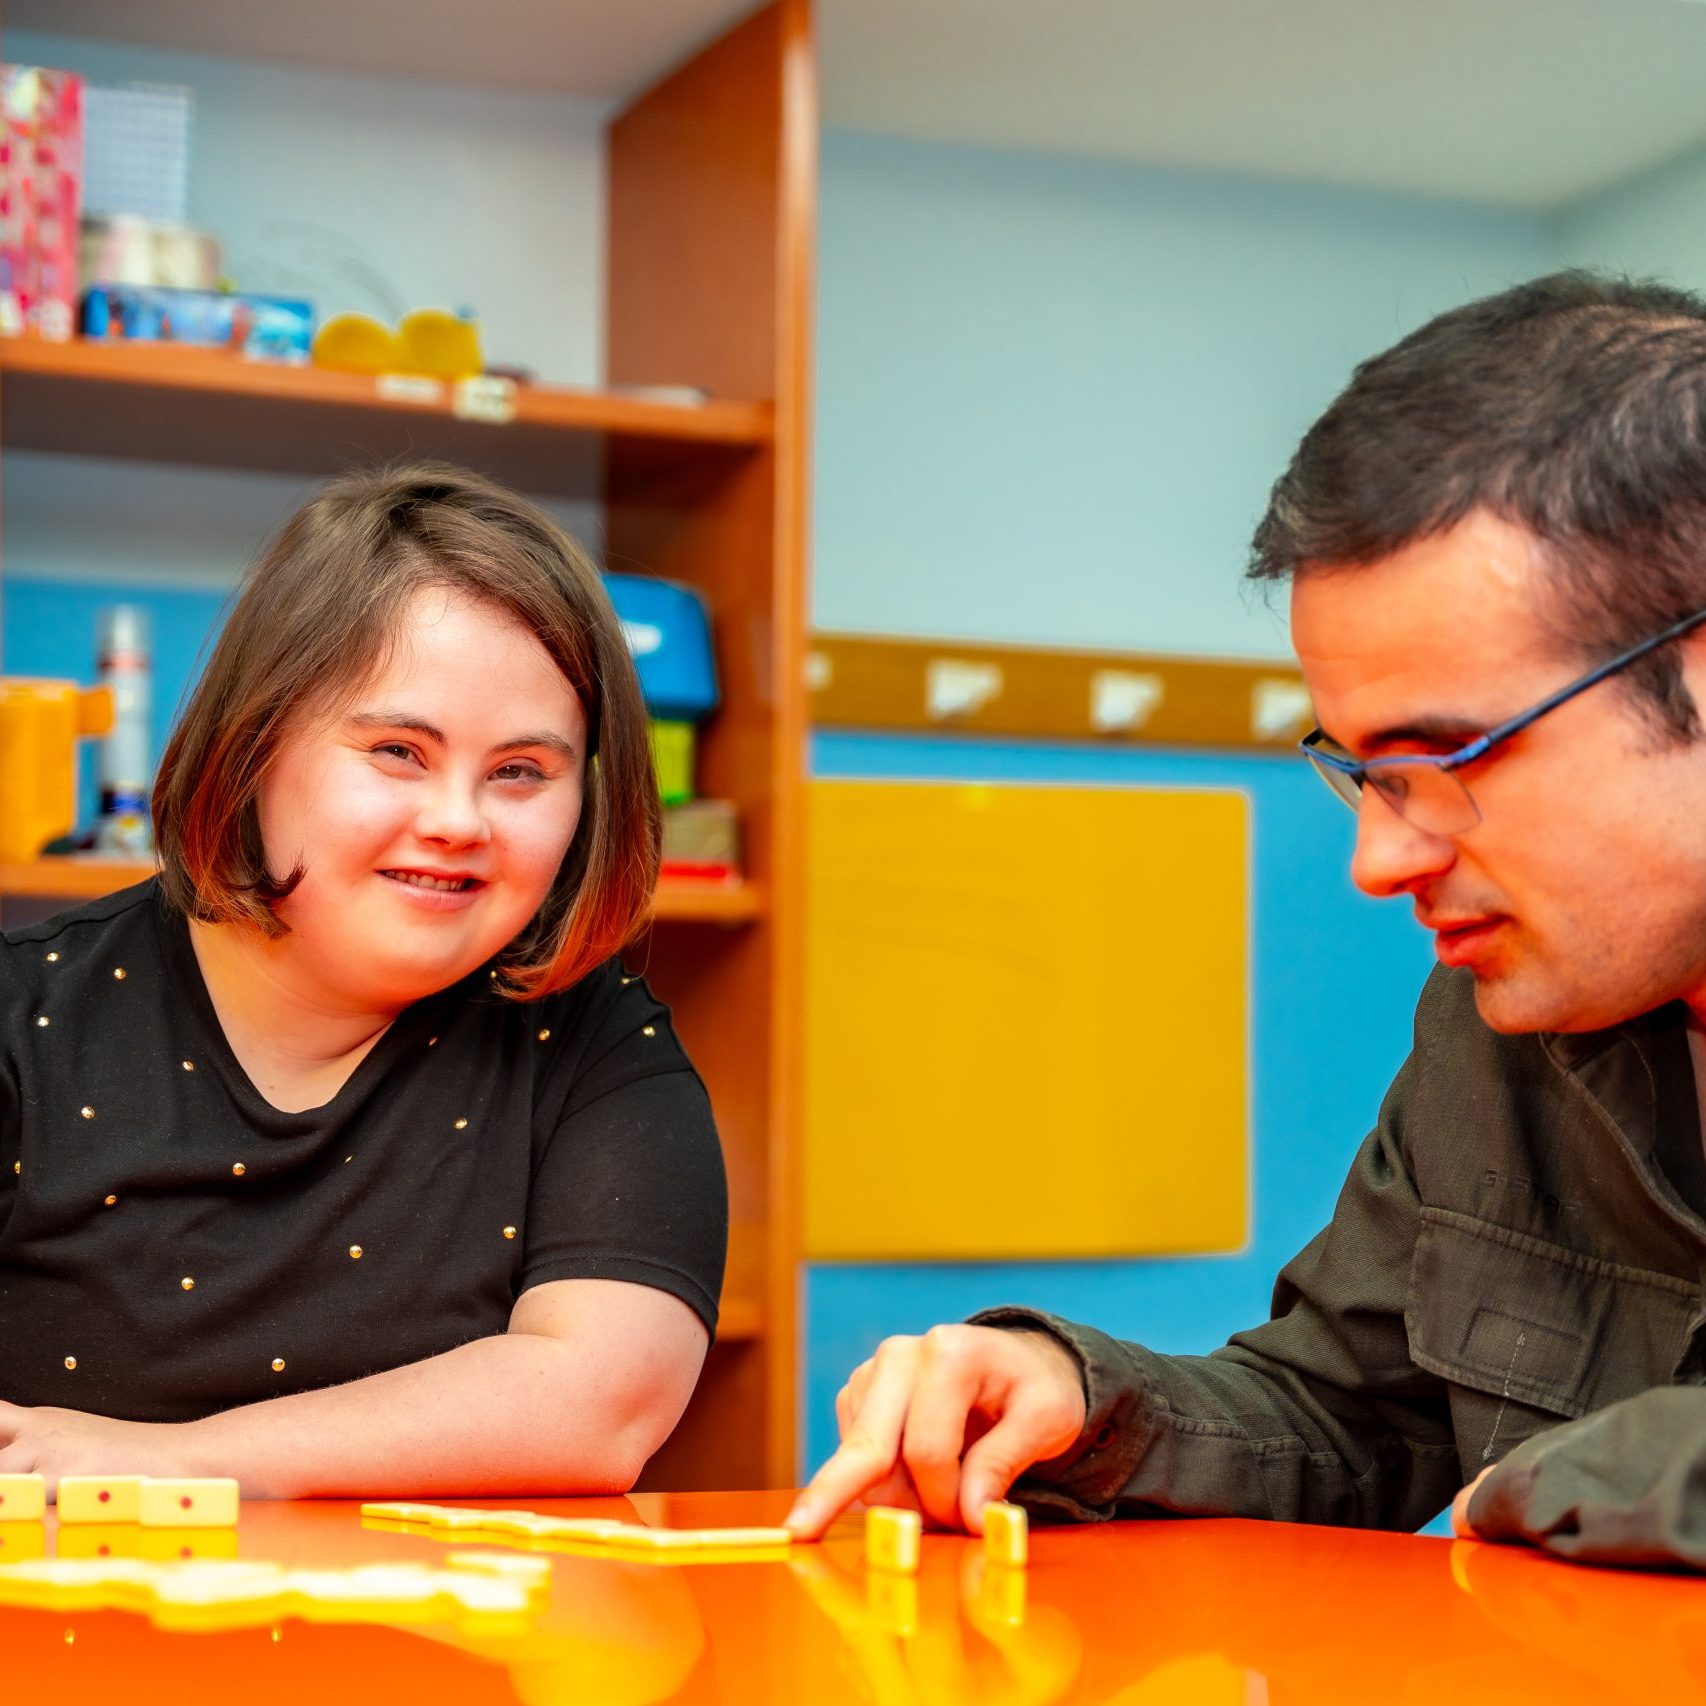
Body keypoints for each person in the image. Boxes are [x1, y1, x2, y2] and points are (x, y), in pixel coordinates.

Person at [787, 271, 1706, 1572]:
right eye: (1363, 774)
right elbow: (1345, 1414)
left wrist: (1561, 1479)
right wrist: (1076, 1399)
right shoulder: (1499, 1017)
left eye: (1446, 758)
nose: (1378, 861)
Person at [0, 463, 727, 1498]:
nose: (460, 820)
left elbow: (603, 1400)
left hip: (441, 1655)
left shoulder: (598, 1039)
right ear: (257, 745)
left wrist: (167, 1462)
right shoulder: (23, 1018)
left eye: (521, 770)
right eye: (396, 750)